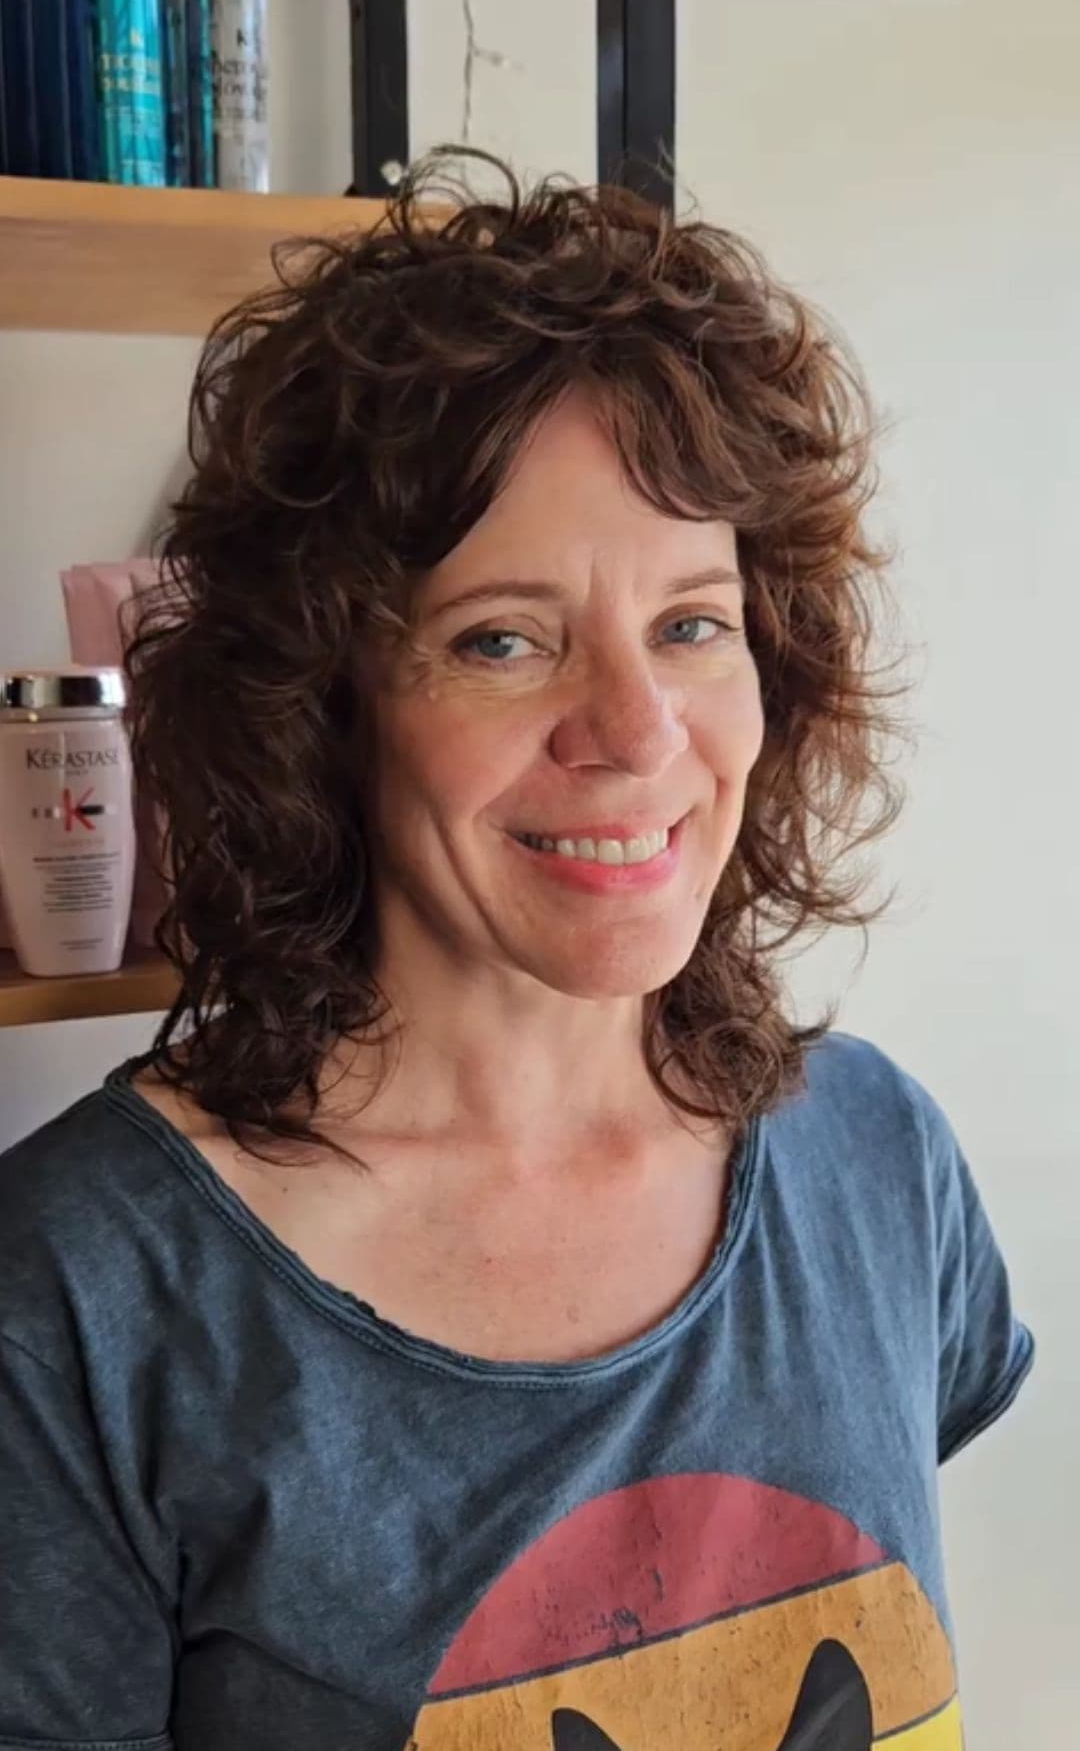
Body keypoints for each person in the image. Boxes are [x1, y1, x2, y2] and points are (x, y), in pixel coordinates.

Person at [0, 149, 1033, 1751]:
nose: (636, 732)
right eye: (504, 639)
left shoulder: (878, 1165)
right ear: (323, 709)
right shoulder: (81, 1298)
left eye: (692, 623)